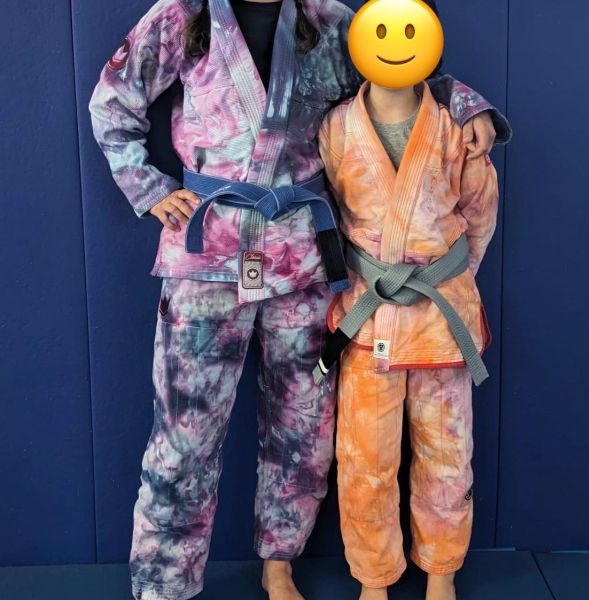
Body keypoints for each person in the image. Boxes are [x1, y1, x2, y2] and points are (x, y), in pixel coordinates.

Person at [89, 0, 509, 598]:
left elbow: (401, 70)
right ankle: (164, 584)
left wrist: (468, 105)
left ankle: (279, 562)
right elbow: (113, 99)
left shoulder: (329, 19)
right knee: (185, 433)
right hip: (208, 254)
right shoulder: (182, 15)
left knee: (302, 427)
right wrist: (147, 186)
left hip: (302, 258)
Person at [317, 1, 500, 598]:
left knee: (447, 454)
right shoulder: (335, 128)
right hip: (368, 318)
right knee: (364, 461)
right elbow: (327, 213)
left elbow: (479, 213)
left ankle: (441, 571)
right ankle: (374, 577)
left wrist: (449, 281)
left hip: (441, 319)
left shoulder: (456, 128)